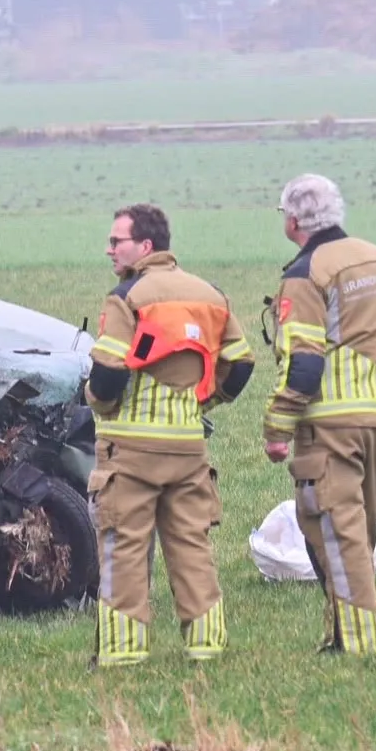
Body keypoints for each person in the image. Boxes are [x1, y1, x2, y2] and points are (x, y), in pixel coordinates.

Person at [85, 204, 253, 667]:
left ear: (145, 246)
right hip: (188, 447)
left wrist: (97, 404)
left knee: (124, 547)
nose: (108, 249)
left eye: (116, 241)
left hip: (131, 451)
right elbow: (241, 364)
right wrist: (202, 400)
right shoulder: (210, 295)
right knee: (193, 548)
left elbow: (108, 373)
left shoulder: (128, 296)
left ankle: (122, 654)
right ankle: (206, 648)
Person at [263, 174, 376, 657]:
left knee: (337, 534)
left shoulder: (306, 272)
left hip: (331, 425)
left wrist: (278, 425)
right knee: (361, 531)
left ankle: (358, 645)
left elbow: (305, 362)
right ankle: (339, 637)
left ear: (293, 221)